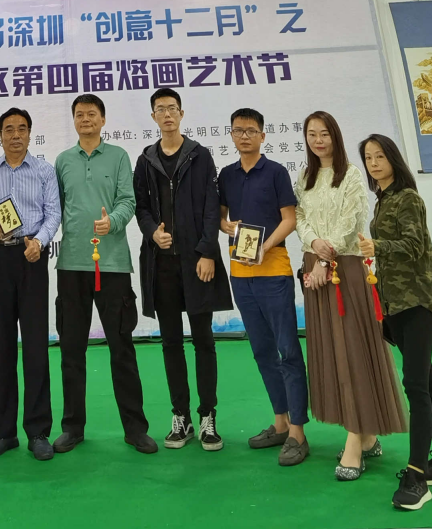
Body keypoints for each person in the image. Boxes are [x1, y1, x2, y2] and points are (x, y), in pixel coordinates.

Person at [358, 134, 432, 510]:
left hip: (418, 302)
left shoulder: (407, 198)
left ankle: (417, 475)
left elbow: (415, 245)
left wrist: (378, 246)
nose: (374, 163)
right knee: (427, 383)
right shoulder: (383, 200)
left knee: (416, 387)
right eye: (368, 158)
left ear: (393, 158)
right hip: (397, 304)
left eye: (380, 156)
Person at [294, 111, 407, 482]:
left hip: (346, 270)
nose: (318, 140)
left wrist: (325, 259)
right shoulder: (305, 177)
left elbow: (349, 221)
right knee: (331, 353)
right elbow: (299, 219)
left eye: (325, 133)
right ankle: (366, 433)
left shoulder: (353, 175)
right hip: (315, 271)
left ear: (336, 136)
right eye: (312, 134)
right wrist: (314, 245)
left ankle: (356, 440)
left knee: (353, 353)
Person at [53, 94, 157, 455]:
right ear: (74, 120)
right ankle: (72, 428)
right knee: (71, 350)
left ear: (103, 120)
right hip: (71, 265)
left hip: (111, 265)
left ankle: (135, 429)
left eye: (92, 114)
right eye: (80, 115)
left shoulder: (119, 156)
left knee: (121, 348)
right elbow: (55, 207)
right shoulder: (63, 161)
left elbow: (128, 200)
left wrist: (112, 221)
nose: (86, 119)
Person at [133, 89, 230, 451]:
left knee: (204, 340)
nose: (167, 115)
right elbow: (141, 206)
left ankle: (208, 416)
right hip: (161, 265)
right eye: (160, 110)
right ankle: (181, 417)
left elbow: (211, 207)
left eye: (172, 108)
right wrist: (151, 232)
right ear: (153, 117)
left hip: (196, 262)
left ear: (182, 113)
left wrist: (207, 252)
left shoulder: (200, 156)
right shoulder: (145, 160)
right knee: (171, 342)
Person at [218, 108, 310, 466]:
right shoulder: (226, 175)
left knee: (287, 350)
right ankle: (280, 423)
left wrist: (266, 245)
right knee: (261, 351)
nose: (244, 136)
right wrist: (226, 227)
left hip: (274, 271)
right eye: (238, 130)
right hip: (240, 275)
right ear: (231, 134)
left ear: (262, 136)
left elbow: (290, 218)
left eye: (251, 131)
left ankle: (298, 432)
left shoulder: (275, 172)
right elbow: (221, 217)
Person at [0, 108, 61, 461]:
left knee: (36, 345)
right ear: (0, 135)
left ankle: (38, 431)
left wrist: (39, 241)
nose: (15, 135)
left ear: (30, 134)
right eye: (9, 129)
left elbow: (53, 213)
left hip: (31, 255)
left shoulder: (44, 170)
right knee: (2, 347)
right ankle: (4, 432)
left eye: (21, 129)